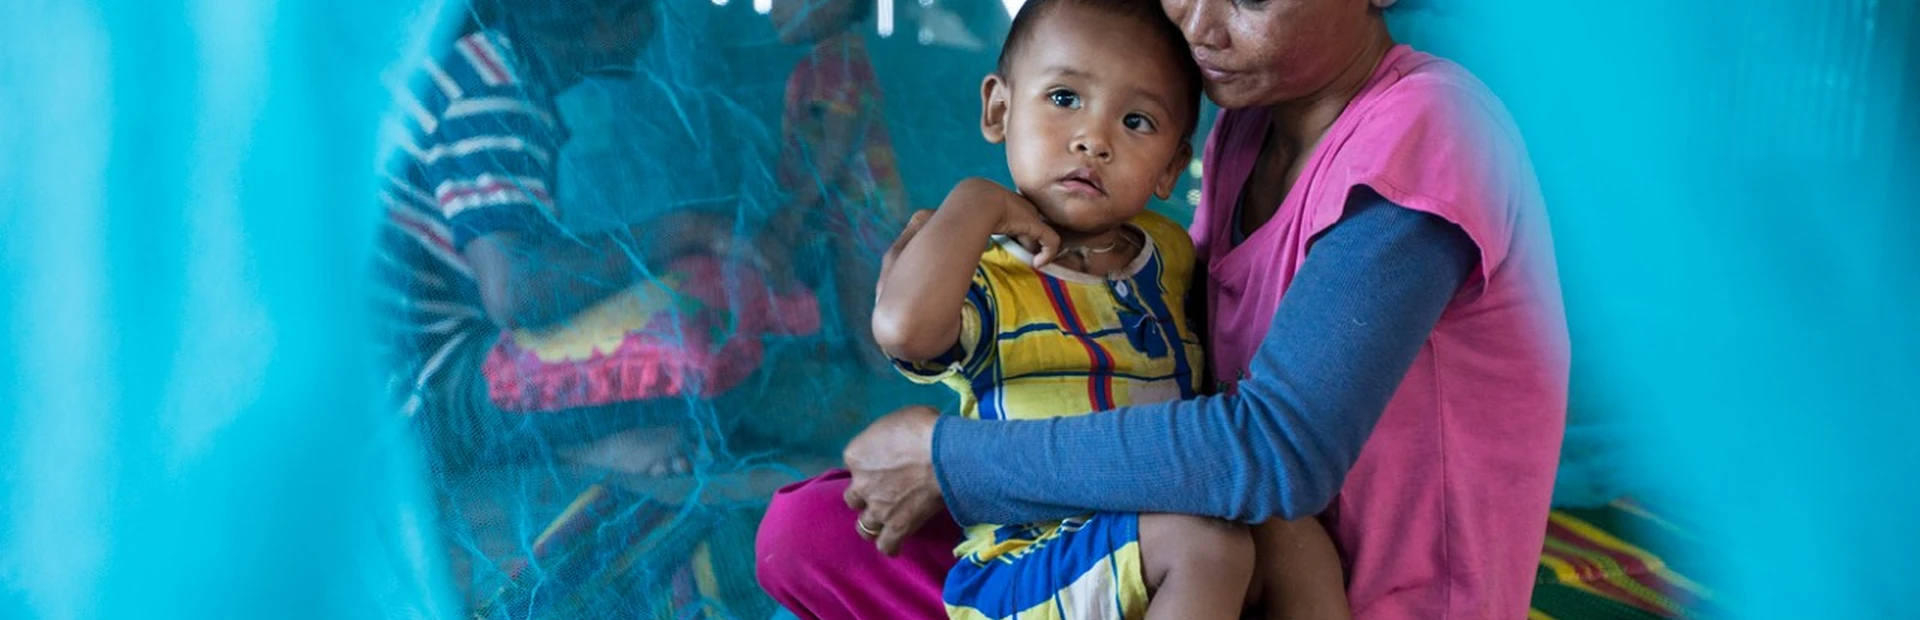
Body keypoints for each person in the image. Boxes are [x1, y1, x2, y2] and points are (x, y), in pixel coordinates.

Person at [755, 0, 1571, 617]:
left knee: (1225, 544)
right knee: (812, 531)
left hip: (1327, 588)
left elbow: (1278, 451)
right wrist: (963, 250)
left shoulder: (1430, 133)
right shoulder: (1246, 131)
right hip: (1192, 544)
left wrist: (955, 463)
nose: (1198, 24)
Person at [856, 0, 1347, 617]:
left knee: (1291, 530)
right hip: (1025, 566)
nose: (1095, 139)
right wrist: (973, 204)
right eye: (1064, 98)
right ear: (999, 109)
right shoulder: (982, 266)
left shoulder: (1168, 256)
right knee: (1208, 547)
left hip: (1147, 534)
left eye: (1137, 120)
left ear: (1172, 166)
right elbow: (904, 331)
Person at [375, 0, 803, 477]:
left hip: (403, 390)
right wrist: (681, 230)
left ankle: (577, 448)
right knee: (666, 342)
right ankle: (581, 446)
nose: (655, 23)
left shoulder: (487, 67)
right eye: (643, 8)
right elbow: (516, 293)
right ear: (601, 19)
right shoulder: (487, 88)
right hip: (415, 406)